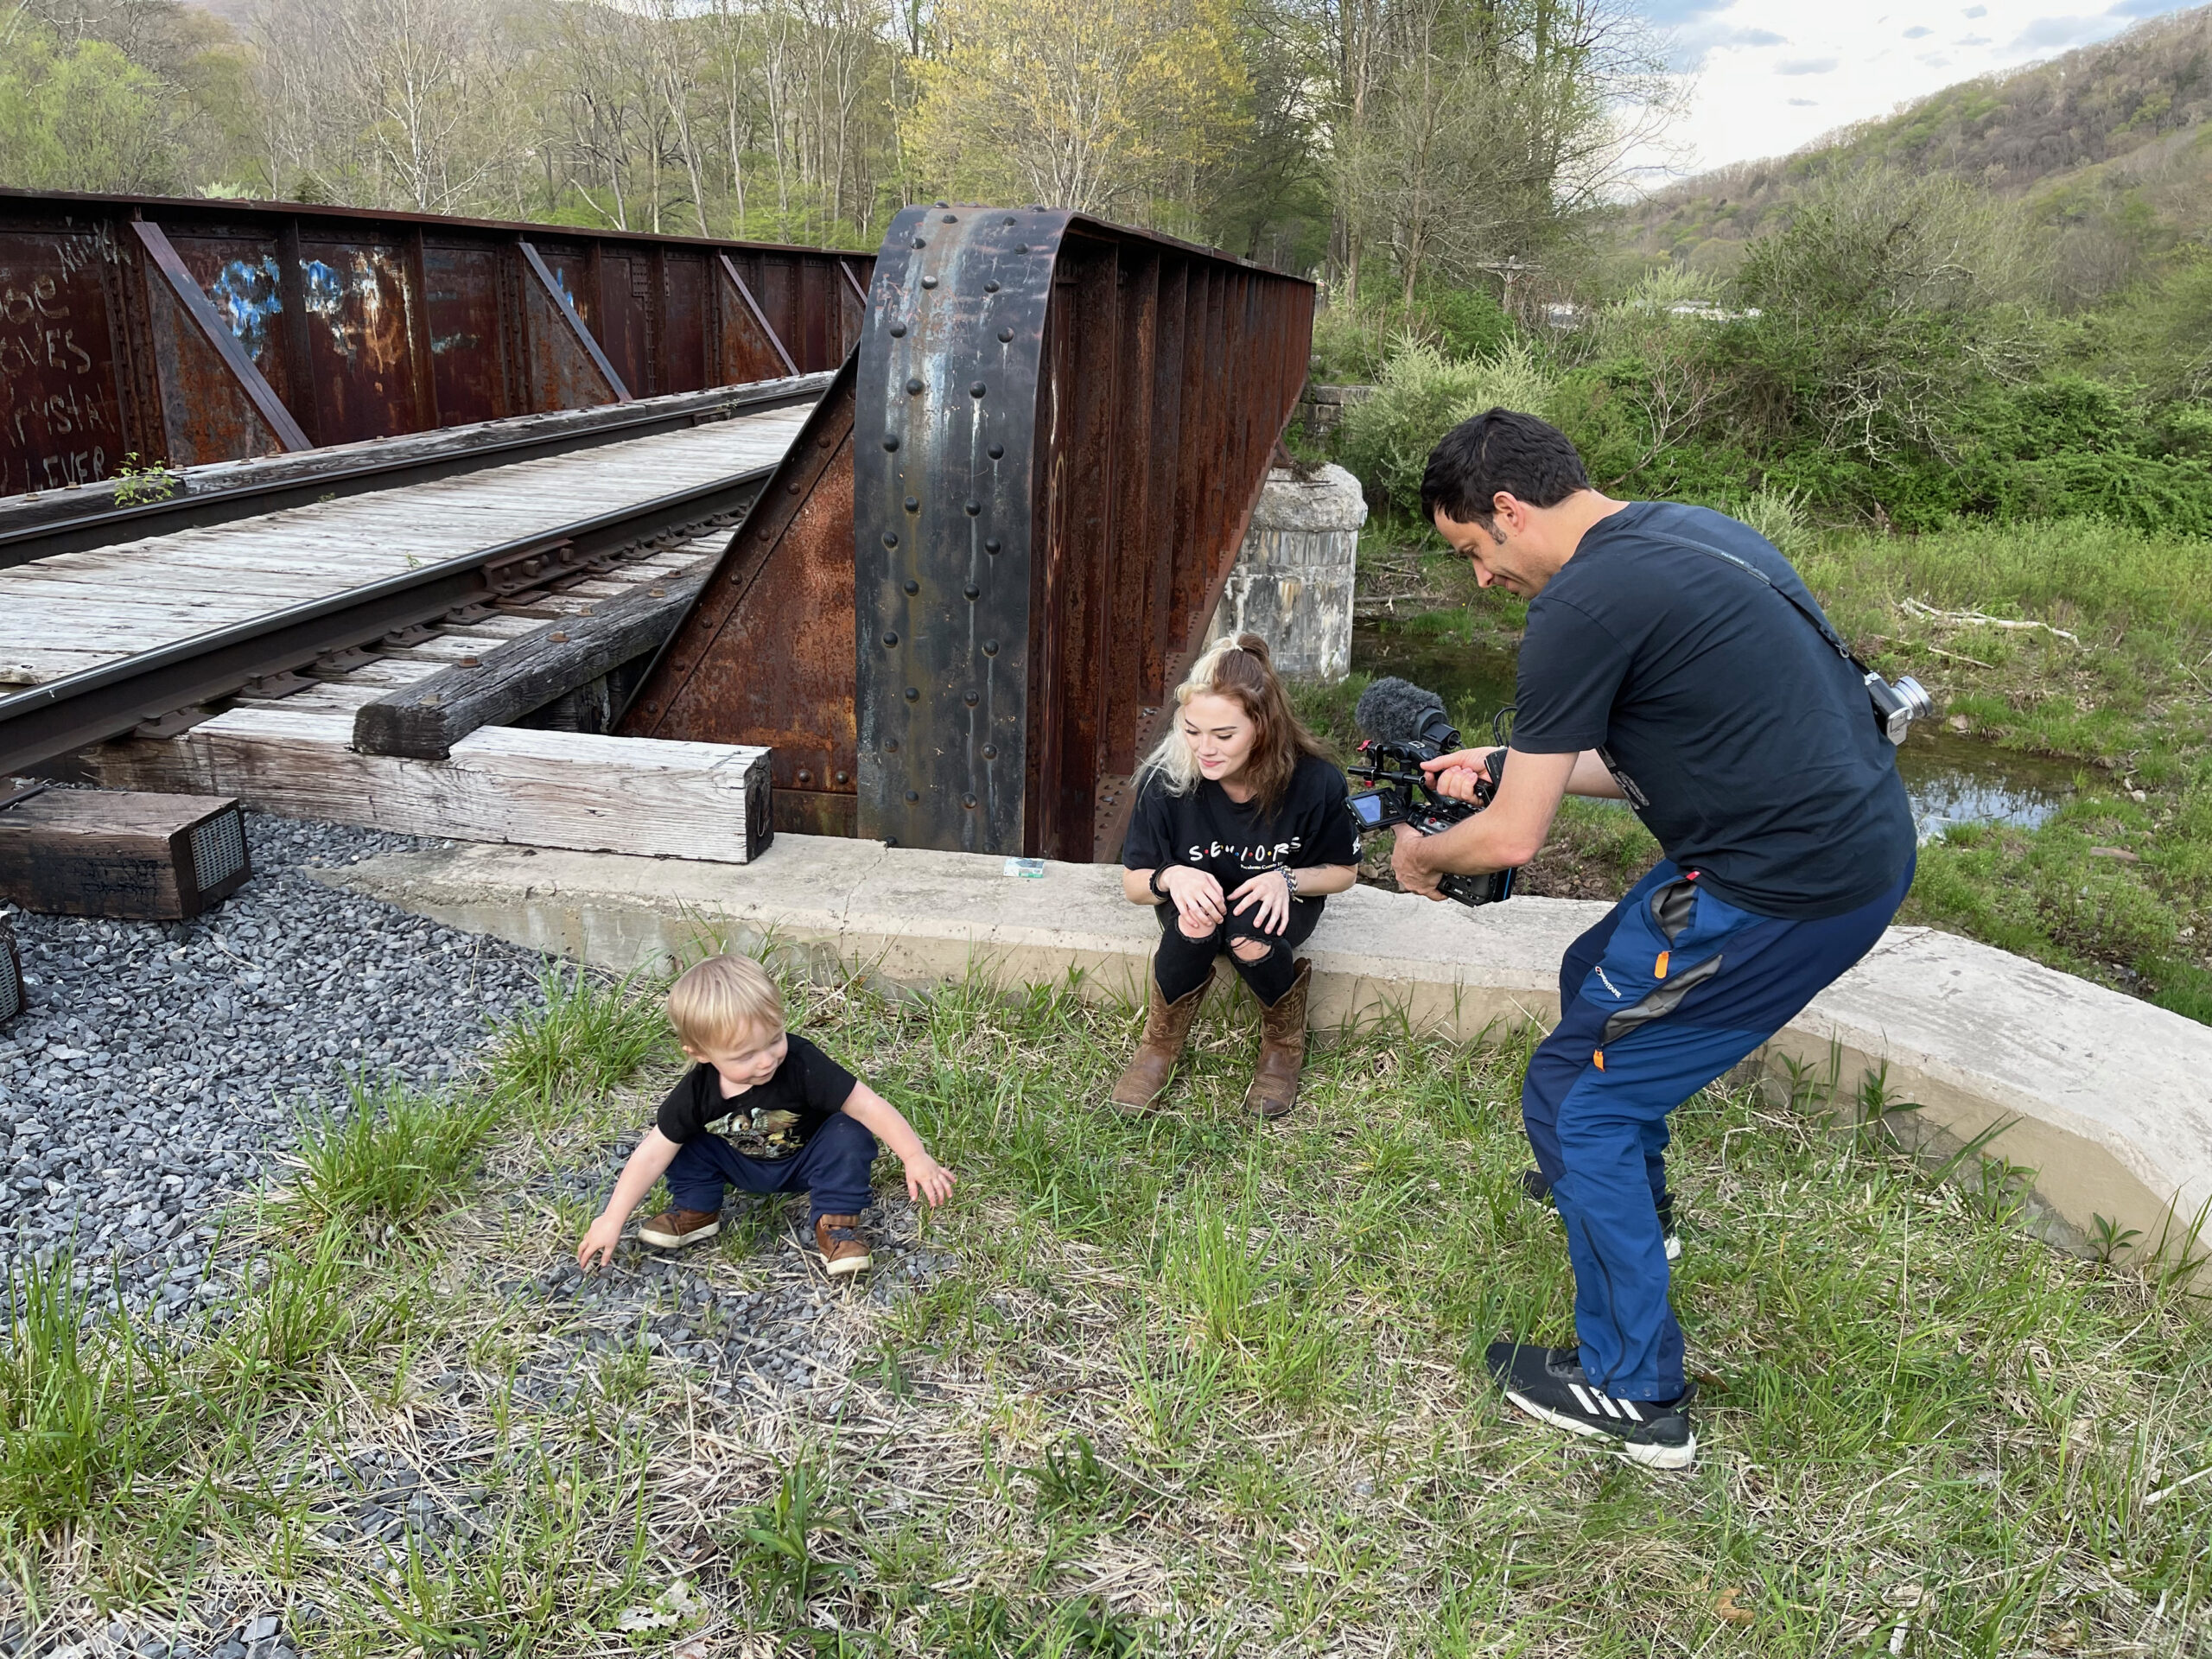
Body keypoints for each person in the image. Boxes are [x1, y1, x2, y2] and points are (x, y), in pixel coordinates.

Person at [1395, 410, 1916, 1470]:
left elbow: (1511, 837)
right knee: (1593, 972)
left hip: (1778, 888)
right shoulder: (1689, 533)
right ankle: (1639, 1210)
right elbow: (1658, 754)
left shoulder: (1577, 605)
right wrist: (1508, 755)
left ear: (1507, 509)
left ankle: (1634, 1392)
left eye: (1474, 553)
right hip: (1841, 846)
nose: (1483, 580)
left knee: (1583, 1100)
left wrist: (1421, 855)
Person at [577, 953, 956, 1276]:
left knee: (848, 1131)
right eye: (744, 1056)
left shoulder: (801, 1063)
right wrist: (612, 1218)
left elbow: (867, 1103)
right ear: (701, 1053)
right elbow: (651, 1153)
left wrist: (914, 1155)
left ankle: (836, 1224)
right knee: (682, 1140)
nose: (766, 1060)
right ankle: (697, 1208)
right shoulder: (696, 1092)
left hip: (807, 1159)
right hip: (740, 1161)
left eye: (774, 1039)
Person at [1114, 633, 1360, 1118]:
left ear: (1262, 728)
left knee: (1250, 931)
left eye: (1223, 736)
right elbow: (1133, 883)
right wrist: (1171, 877)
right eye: (1191, 730)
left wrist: (1286, 880)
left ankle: (1283, 1043)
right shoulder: (1166, 779)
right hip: (1196, 905)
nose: (1204, 749)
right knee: (1196, 921)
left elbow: (1344, 872)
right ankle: (1158, 1047)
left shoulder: (1316, 782)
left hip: (1276, 904)